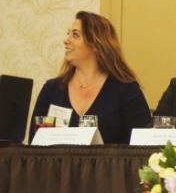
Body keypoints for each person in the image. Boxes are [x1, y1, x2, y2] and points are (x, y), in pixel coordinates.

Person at [30, 11, 152, 144]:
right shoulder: (52, 90)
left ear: (96, 44)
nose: (65, 40)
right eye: (68, 33)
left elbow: (143, 147)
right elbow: (34, 144)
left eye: (75, 35)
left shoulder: (126, 91)